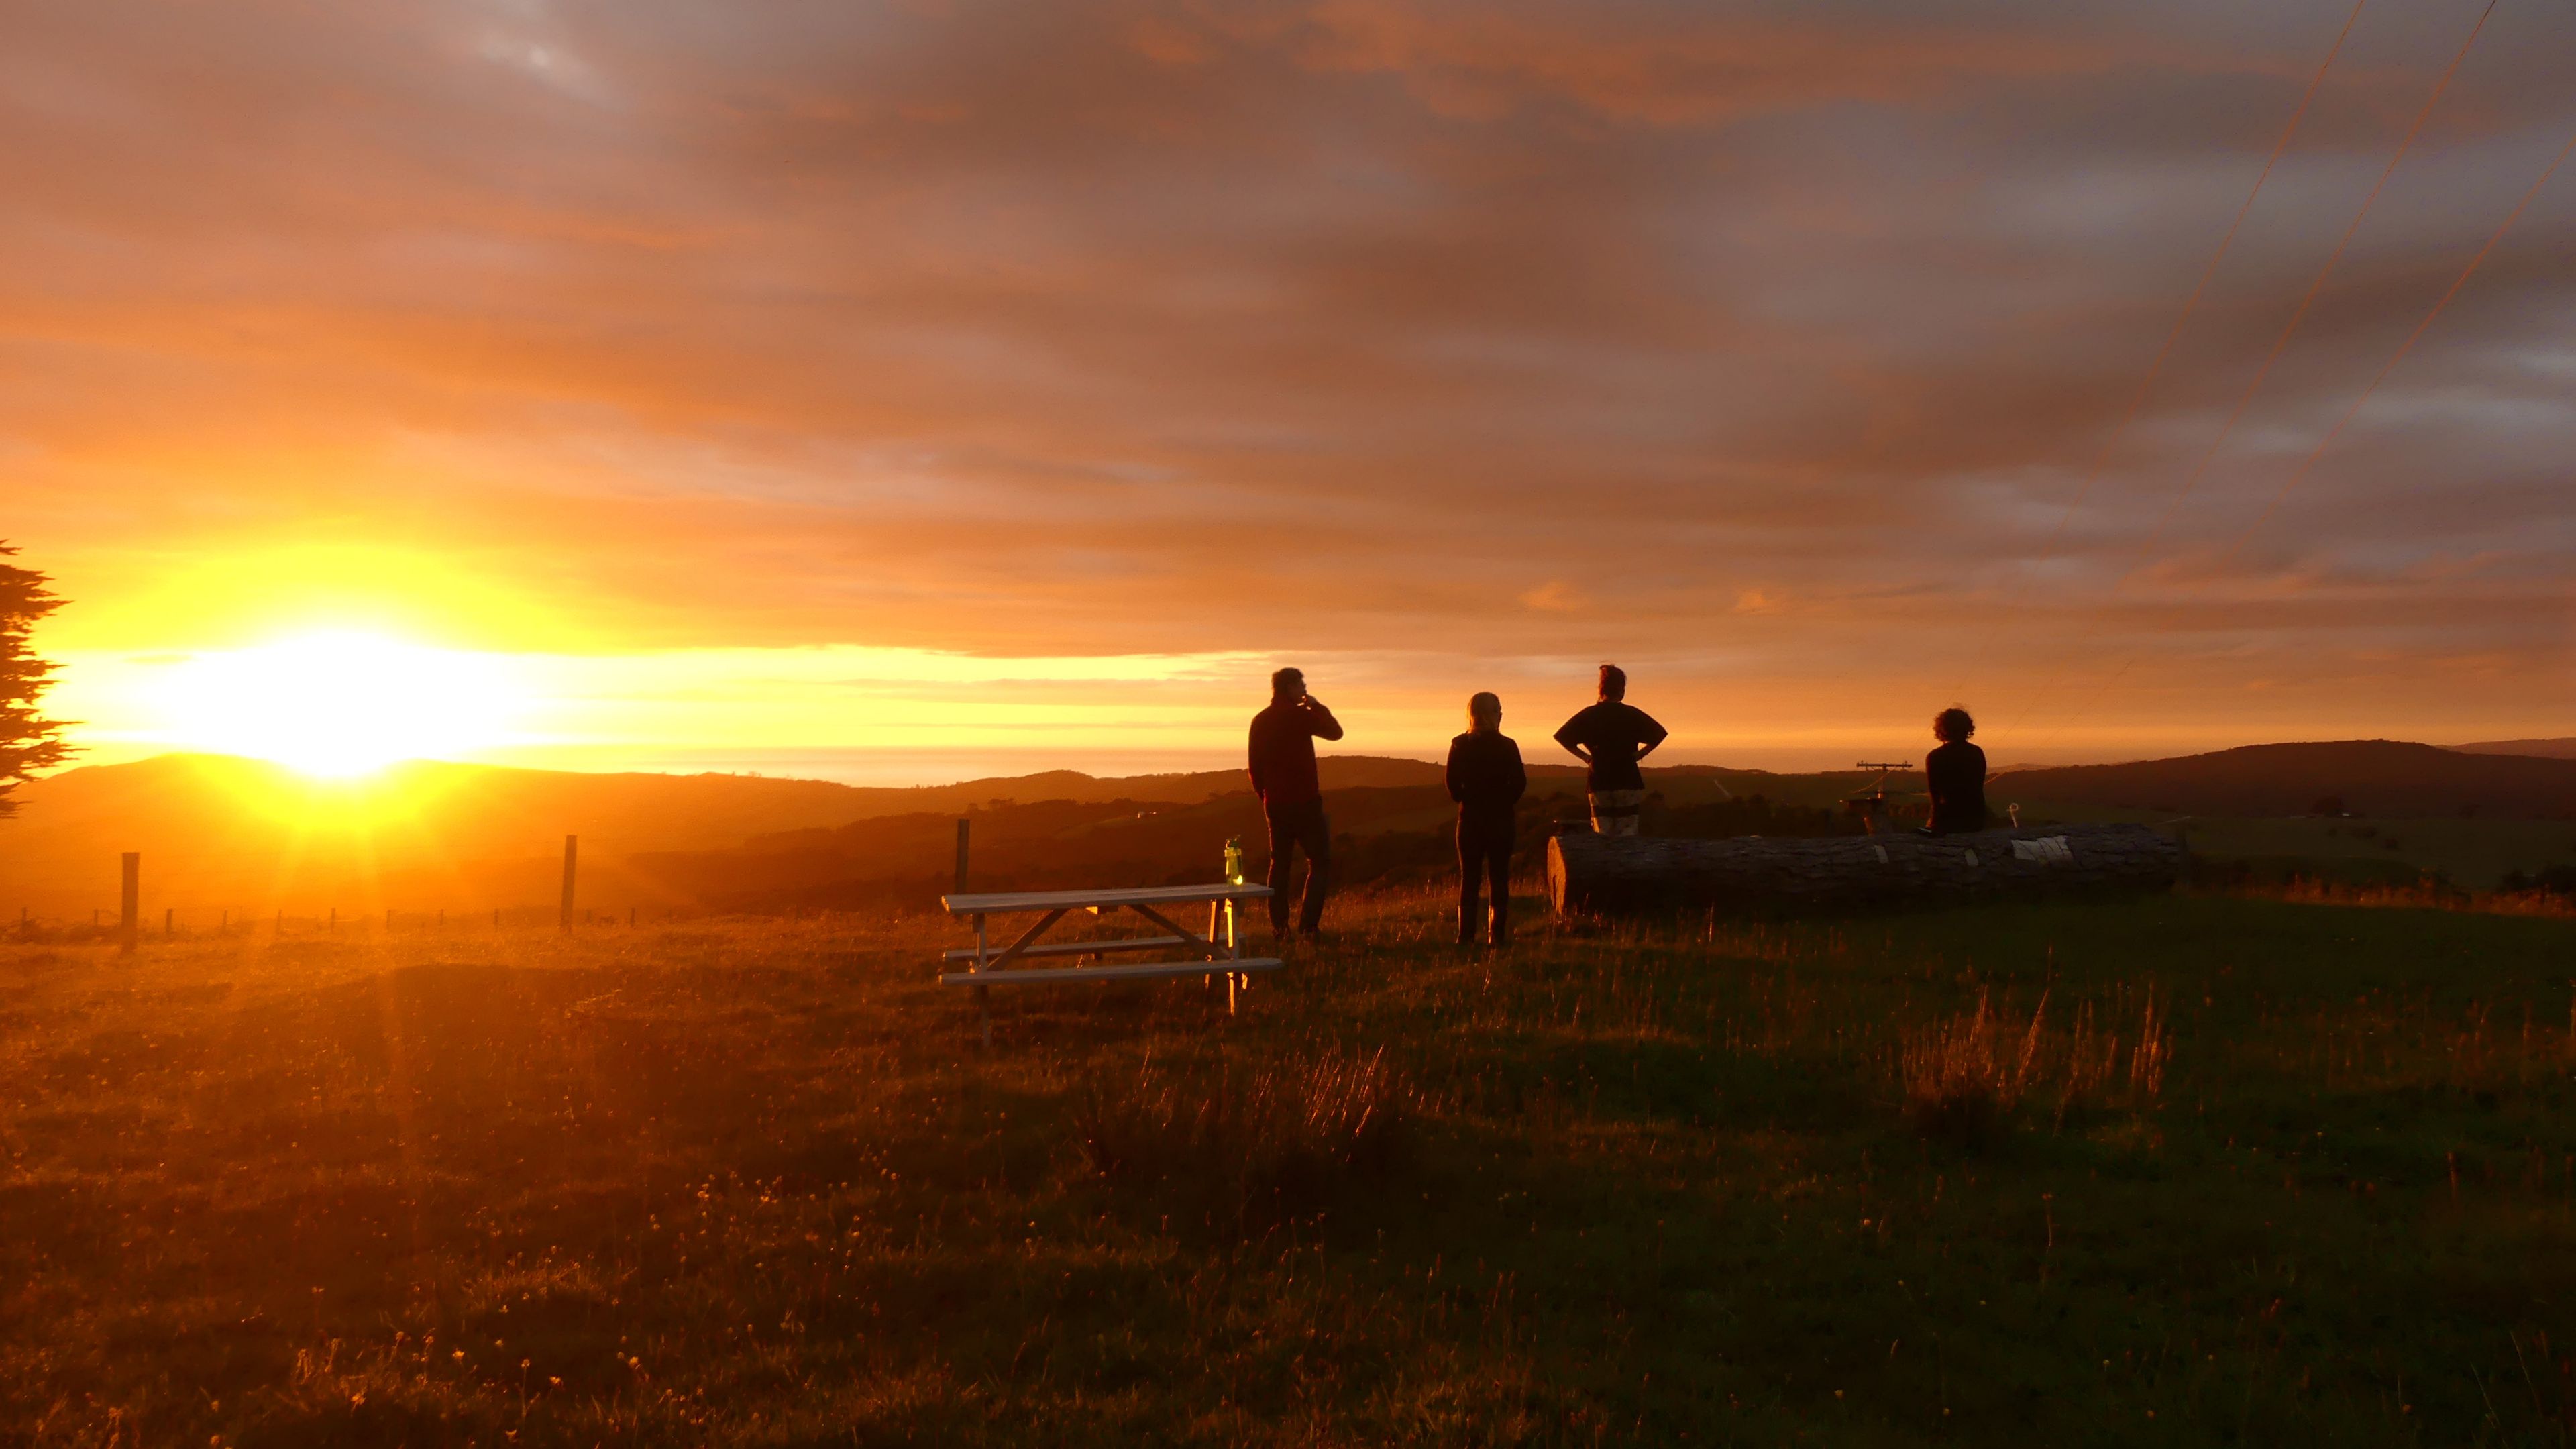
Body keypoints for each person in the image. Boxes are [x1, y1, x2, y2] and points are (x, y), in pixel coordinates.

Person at [1247, 667, 1343, 937]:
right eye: (1301, 684)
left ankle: (1280, 927)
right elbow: (1335, 733)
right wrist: (1316, 706)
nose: (1304, 688)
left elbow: (1255, 766)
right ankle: (1308, 926)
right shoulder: (1301, 716)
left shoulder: (1261, 720)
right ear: (1289, 687)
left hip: (1275, 803)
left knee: (1280, 865)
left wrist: (1265, 796)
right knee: (1320, 862)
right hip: (1306, 801)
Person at [1445, 692, 1526, 949]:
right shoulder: (1507, 745)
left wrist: (1468, 799)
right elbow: (1520, 783)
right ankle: (1496, 936)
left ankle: (1465, 937)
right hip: (1501, 820)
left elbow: (1452, 786)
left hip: (1470, 819)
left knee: (1469, 879)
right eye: (1499, 709)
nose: (1501, 713)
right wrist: (1503, 801)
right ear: (1493, 714)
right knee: (1499, 878)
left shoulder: (1459, 743)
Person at [1553, 664, 1667, 837]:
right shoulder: (1631, 714)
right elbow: (1659, 733)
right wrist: (1640, 754)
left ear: (1601, 689)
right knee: (1627, 833)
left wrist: (1586, 757)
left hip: (1599, 778)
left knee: (1602, 833)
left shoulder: (1590, 714)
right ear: (1621, 690)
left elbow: (1562, 736)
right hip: (1627, 778)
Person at [1921, 705, 1988, 835]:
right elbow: (1977, 787)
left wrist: (1933, 823)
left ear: (1942, 730)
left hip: (1947, 821)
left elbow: (1935, 796)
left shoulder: (1935, 756)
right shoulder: (1976, 753)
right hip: (1975, 819)